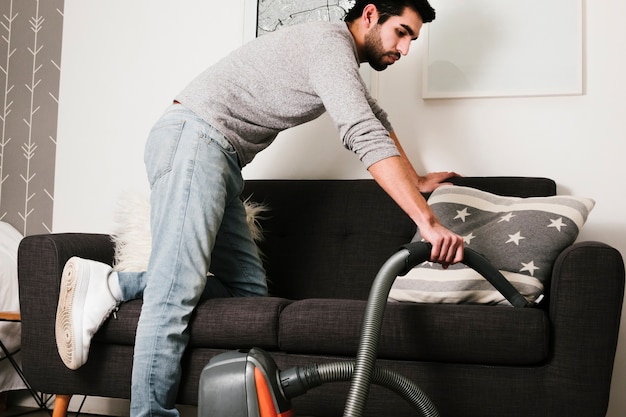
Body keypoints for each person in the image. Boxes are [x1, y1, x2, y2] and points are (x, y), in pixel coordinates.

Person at [54, 1, 464, 416]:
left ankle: (115, 286)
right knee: (174, 291)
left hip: (220, 159)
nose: (406, 49)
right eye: (402, 32)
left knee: (247, 296)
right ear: (371, 14)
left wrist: (415, 181)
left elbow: (374, 118)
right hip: (196, 141)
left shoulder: (336, 58)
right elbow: (360, 131)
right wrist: (426, 222)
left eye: (412, 38)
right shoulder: (328, 43)